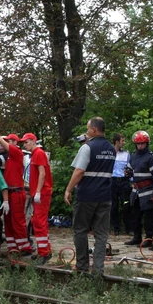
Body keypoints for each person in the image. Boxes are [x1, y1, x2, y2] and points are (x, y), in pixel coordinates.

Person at [64, 117, 115, 274]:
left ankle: (82, 266)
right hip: (105, 196)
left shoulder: (87, 147)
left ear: (94, 130)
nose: (86, 132)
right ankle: (99, 269)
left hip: (86, 195)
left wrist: (68, 189)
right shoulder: (112, 149)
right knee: (101, 234)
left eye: (88, 129)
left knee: (80, 230)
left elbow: (79, 171)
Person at [0, 124, 33, 255]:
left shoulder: (16, 152)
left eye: (9, 141)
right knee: (8, 222)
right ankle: (13, 247)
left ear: (15, 142)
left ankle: (25, 248)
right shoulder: (9, 156)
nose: (6, 143)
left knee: (18, 221)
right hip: (10, 193)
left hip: (17, 192)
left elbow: (0, 140)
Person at [21, 133, 53, 263]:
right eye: (24, 142)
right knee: (38, 222)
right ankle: (45, 250)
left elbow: (42, 173)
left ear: (33, 141)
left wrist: (38, 191)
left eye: (27, 142)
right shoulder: (36, 154)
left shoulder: (38, 153)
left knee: (39, 222)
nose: (25, 144)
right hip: (40, 192)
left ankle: (44, 253)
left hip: (42, 192)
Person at [124, 131, 153, 247]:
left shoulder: (152, 157)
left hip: (148, 190)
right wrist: (128, 173)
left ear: (147, 143)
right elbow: (129, 170)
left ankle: (149, 239)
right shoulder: (133, 156)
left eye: (142, 144)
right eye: (138, 144)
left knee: (149, 218)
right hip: (136, 191)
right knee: (135, 216)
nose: (140, 146)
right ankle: (137, 237)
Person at [110, 133, 131, 235]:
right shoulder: (109, 153)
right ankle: (116, 228)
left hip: (124, 182)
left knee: (126, 205)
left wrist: (131, 180)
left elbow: (130, 167)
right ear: (117, 142)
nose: (124, 143)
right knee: (113, 206)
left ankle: (128, 228)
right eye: (122, 141)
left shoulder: (126, 154)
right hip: (112, 181)